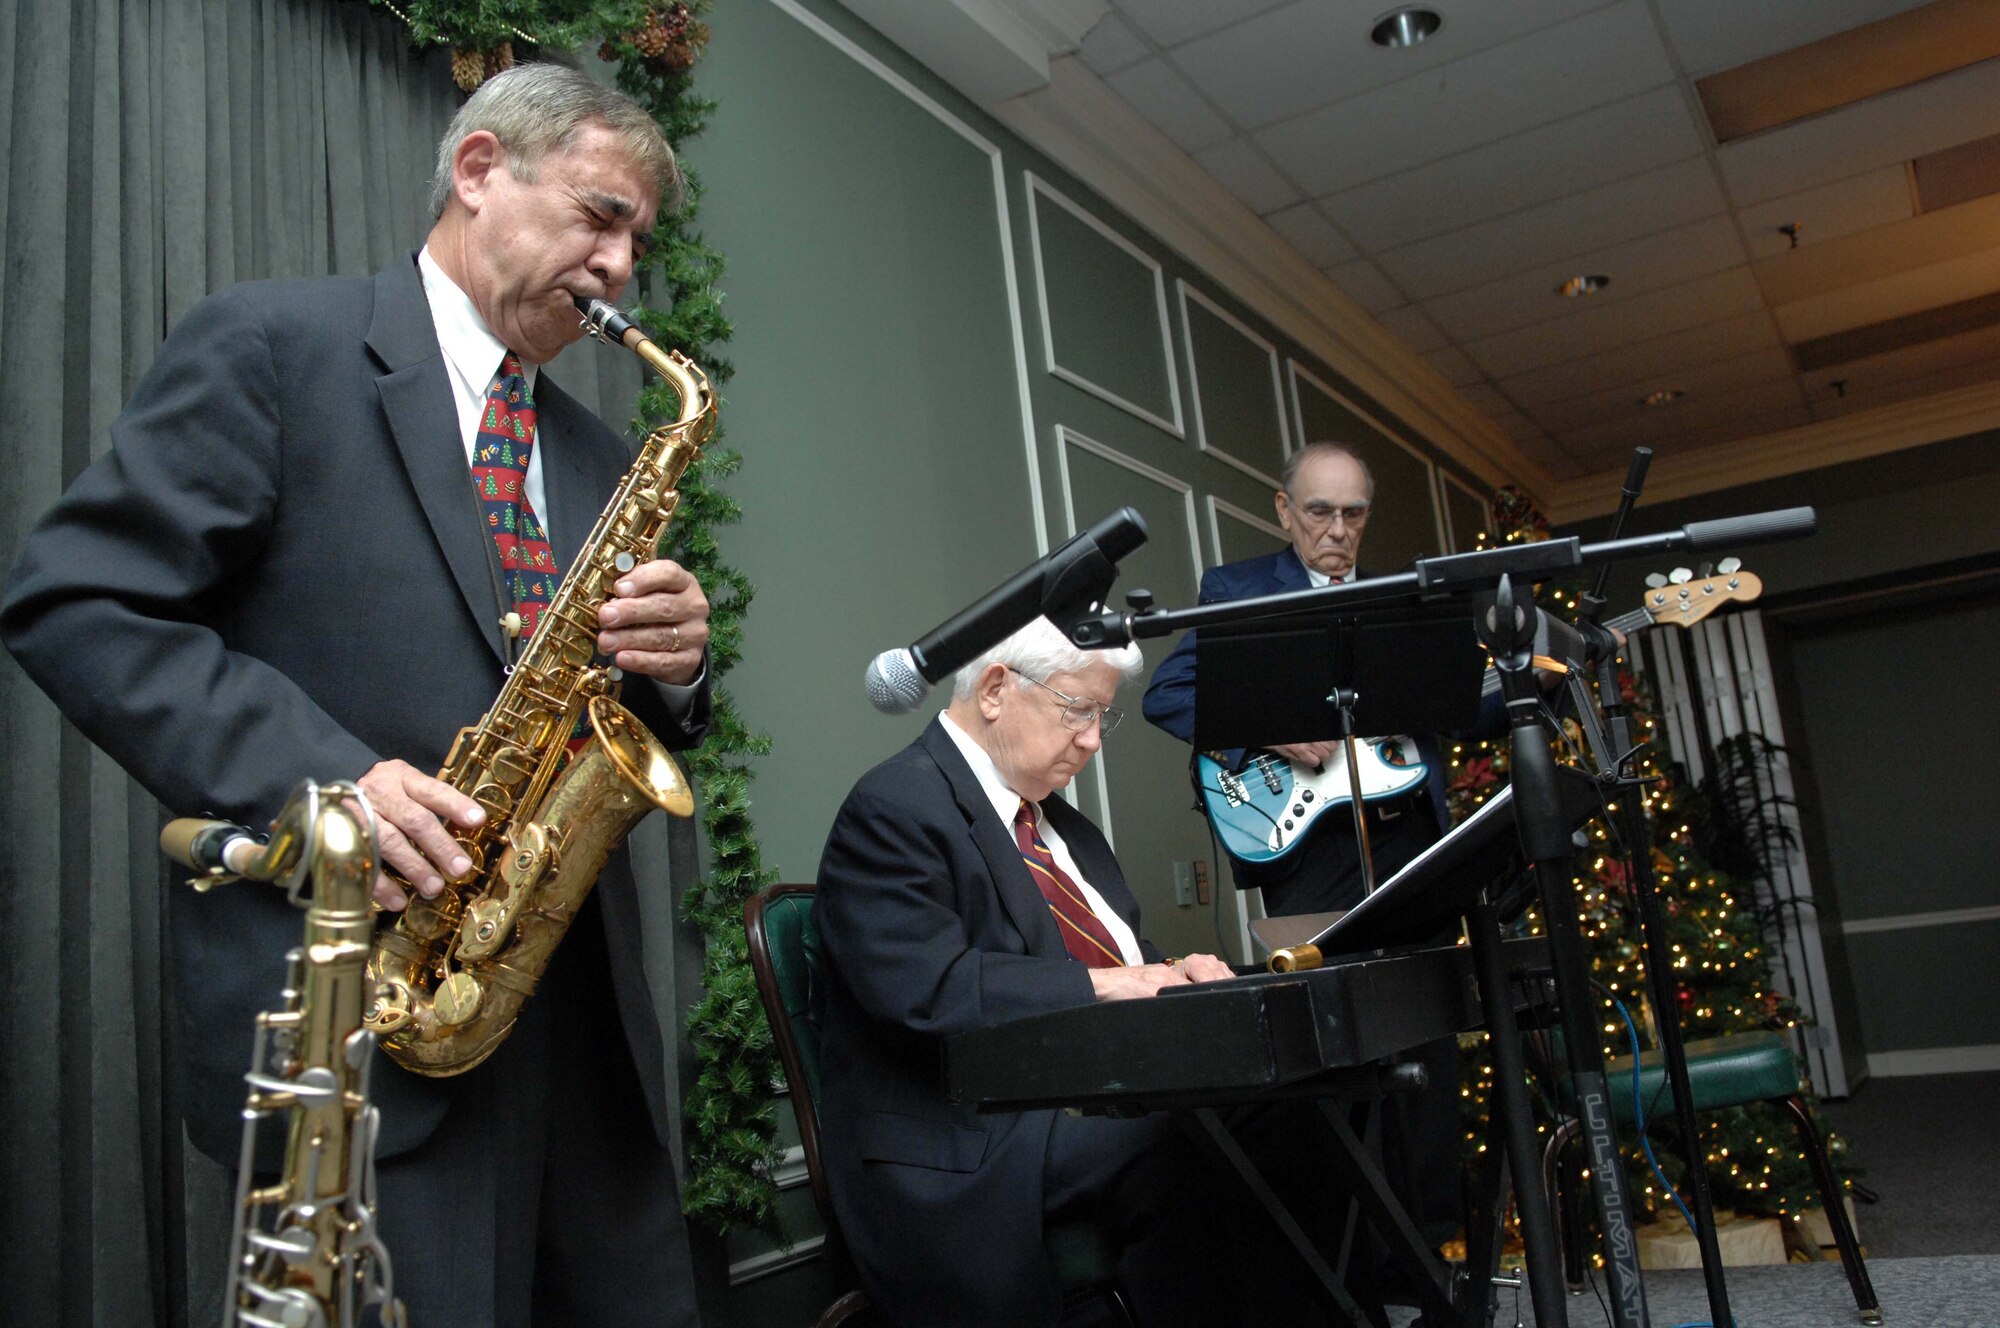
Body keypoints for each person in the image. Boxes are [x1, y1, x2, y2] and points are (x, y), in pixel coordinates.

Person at [2, 64, 709, 1326]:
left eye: (637, 241)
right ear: (480, 169)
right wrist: (326, 785)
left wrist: (674, 666)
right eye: (600, 217)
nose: (618, 267)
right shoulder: (273, 345)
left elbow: (603, 714)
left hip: (576, 1034)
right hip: (363, 1017)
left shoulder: (600, 451)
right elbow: (79, 601)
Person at [814, 617, 1241, 1327]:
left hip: (1101, 1091)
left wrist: (1174, 972)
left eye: (1105, 716)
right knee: (1211, 1131)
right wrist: (1113, 983)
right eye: (1078, 710)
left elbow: (1127, 955)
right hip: (978, 1139)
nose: (1093, 740)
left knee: (1290, 1099)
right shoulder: (894, 806)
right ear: (993, 690)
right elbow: (930, 991)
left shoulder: (1063, 827)